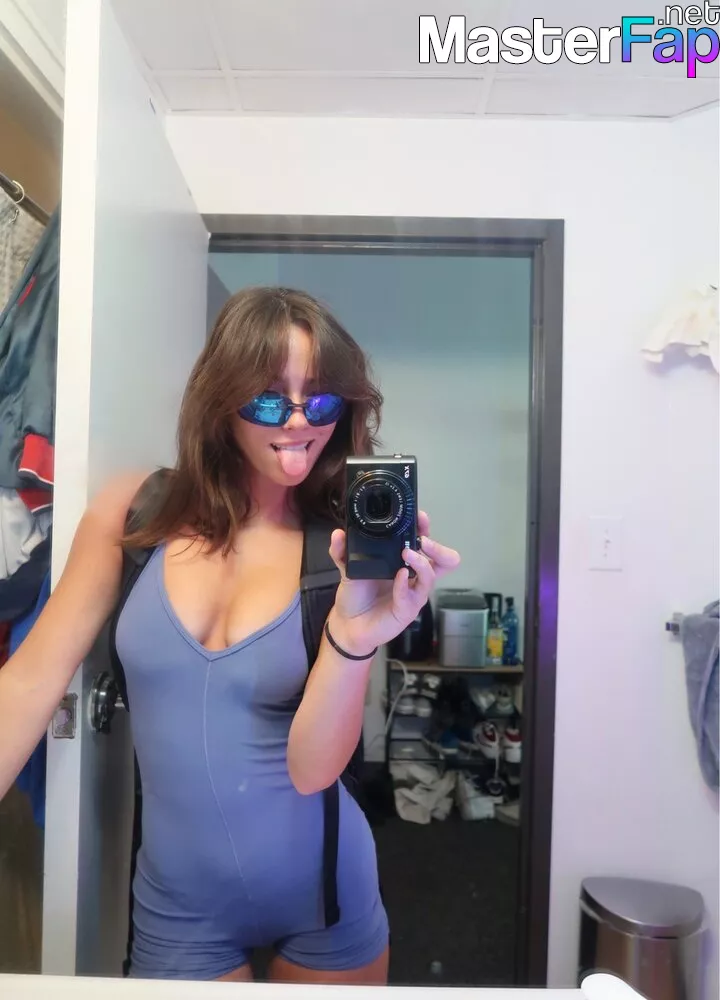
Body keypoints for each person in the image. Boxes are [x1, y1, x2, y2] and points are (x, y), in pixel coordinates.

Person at [0, 287, 461, 985]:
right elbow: (29, 683)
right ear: (222, 400)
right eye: (271, 401)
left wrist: (355, 636)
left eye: (322, 401)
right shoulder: (134, 513)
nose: (300, 422)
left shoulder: (338, 551)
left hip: (326, 894)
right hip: (178, 907)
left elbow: (313, 770)